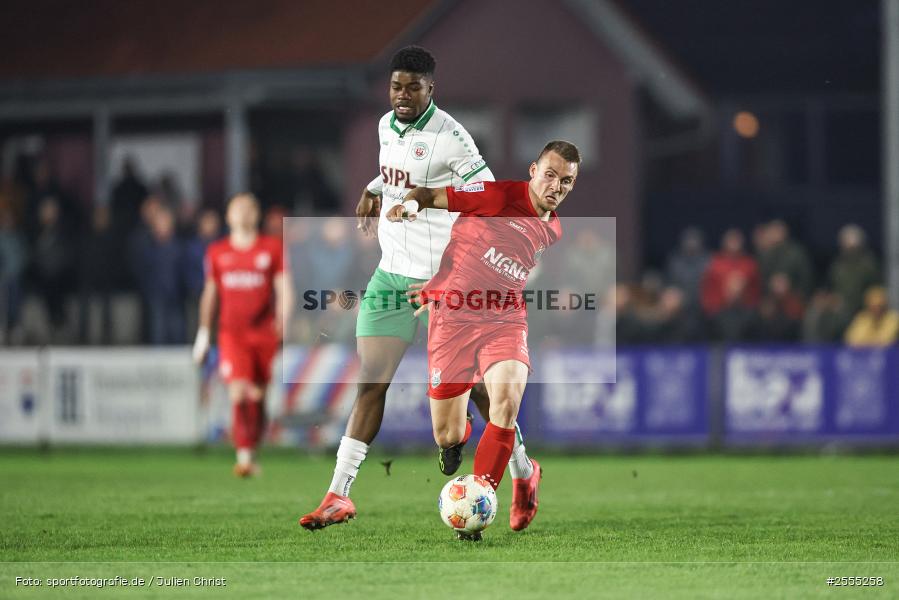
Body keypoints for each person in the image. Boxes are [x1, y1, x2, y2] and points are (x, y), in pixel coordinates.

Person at [299, 46, 536, 530]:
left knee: (481, 397)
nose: (402, 95)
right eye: (396, 86)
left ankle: (523, 471)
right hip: (391, 276)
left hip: (445, 285)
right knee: (371, 383)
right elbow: (400, 172)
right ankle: (338, 495)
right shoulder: (386, 126)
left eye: (413, 87)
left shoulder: (452, 138)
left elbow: (488, 198)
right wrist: (373, 188)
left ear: (431, 88)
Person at [386, 140, 581, 538]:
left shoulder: (553, 228)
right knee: (447, 434)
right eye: (550, 175)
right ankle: (518, 466)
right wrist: (408, 208)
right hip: (452, 320)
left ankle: (481, 502)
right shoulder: (495, 196)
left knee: (506, 403)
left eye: (567, 181)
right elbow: (427, 197)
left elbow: (496, 265)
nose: (556, 186)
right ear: (533, 170)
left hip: (504, 318)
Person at [192, 193, 292, 477]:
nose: (244, 213)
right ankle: (244, 457)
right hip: (231, 334)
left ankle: (252, 444)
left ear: (256, 214)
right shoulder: (217, 252)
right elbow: (209, 294)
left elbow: (284, 287)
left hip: (264, 334)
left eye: (249, 208)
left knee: (258, 395)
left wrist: (284, 319)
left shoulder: (271, 248)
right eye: (238, 208)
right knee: (239, 390)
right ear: (228, 216)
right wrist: (203, 334)